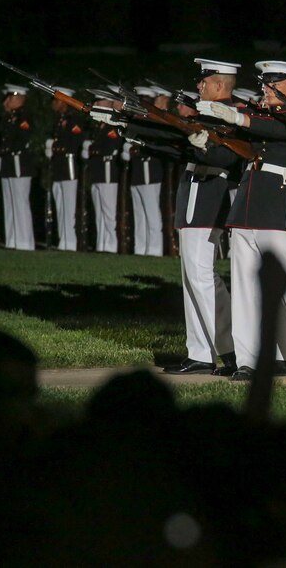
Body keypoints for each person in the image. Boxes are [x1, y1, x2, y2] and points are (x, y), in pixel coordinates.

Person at [196, 60, 286, 381]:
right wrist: (207, 141)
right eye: (265, 83)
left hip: (276, 203)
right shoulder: (262, 117)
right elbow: (235, 151)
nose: (267, 89)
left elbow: (284, 131)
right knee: (245, 287)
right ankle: (251, 358)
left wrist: (240, 117)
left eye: (275, 84)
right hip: (247, 204)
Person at [114, 60, 244, 375]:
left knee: (202, 277)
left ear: (218, 85)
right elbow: (177, 144)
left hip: (209, 200)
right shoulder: (206, 115)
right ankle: (202, 350)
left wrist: (199, 145)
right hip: (195, 198)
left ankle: (226, 349)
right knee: (194, 280)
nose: (198, 87)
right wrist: (130, 126)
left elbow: (226, 156)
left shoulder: (227, 116)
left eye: (203, 81)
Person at [124, 86, 164, 257]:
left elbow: (154, 145)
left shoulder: (152, 121)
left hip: (149, 171)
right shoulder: (136, 120)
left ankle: (155, 249)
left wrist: (134, 149)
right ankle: (141, 248)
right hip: (138, 172)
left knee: (151, 214)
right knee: (139, 214)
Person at [46, 88, 87, 251]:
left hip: (69, 167)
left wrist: (56, 147)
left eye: (56, 101)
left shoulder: (73, 121)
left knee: (69, 207)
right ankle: (63, 240)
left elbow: (73, 143)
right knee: (60, 206)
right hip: (59, 168)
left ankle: (70, 242)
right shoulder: (59, 121)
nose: (53, 104)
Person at [0, 84, 36, 251]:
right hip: (9, 164)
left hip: (20, 164)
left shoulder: (24, 118)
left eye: (10, 97)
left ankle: (25, 242)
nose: (6, 101)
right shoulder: (8, 118)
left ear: (20, 99)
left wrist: (3, 149)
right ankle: (12, 240)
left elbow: (21, 139)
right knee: (10, 203)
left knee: (20, 203)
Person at [84, 95, 123, 254]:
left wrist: (93, 149)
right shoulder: (99, 126)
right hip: (98, 172)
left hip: (107, 173)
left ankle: (111, 245)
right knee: (99, 212)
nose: (96, 104)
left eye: (99, 101)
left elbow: (109, 148)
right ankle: (102, 244)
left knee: (108, 212)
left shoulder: (112, 124)